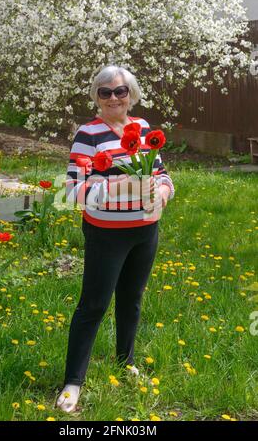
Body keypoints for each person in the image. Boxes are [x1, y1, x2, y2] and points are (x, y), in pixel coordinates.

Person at [55, 65, 175, 413]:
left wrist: (163, 193)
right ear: (96, 96)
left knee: (131, 299)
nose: (112, 98)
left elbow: (162, 173)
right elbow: (73, 191)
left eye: (119, 91)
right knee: (93, 306)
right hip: (106, 234)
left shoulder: (143, 129)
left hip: (145, 229)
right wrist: (115, 187)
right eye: (104, 92)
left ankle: (125, 362)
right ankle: (73, 382)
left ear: (130, 94)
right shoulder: (88, 134)